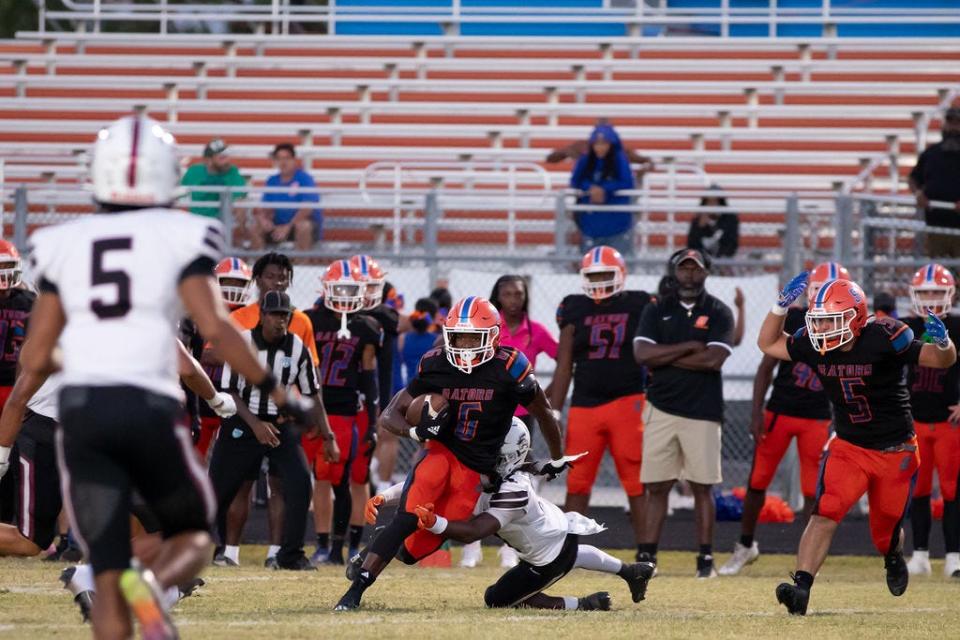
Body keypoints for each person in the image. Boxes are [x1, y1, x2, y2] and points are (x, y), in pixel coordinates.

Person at [23, 114, 314, 639]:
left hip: (84, 413)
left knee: (106, 567)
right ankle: (151, 588)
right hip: (145, 407)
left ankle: (119, 584)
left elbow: (37, 354)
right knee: (196, 536)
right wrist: (278, 392)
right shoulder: (184, 233)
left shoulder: (60, 242)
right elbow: (219, 333)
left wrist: (93, 356)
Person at [334, 296, 566, 611]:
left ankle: (370, 552)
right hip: (441, 452)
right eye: (459, 337)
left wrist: (557, 456)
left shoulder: (510, 366)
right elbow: (390, 414)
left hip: (475, 471)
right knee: (406, 518)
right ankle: (355, 591)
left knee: (412, 552)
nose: (466, 345)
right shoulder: (436, 363)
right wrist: (414, 432)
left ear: (493, 336)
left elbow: (544, 412)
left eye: (474, 337)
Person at [758, 273, 956, 615]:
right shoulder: (815, 345)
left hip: (896, 450)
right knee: (825, 513)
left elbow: (940, 361)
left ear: (857, 317)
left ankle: (893, 557)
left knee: (884, 533)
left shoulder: (884, 336)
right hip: (849, 446)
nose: (824, 329)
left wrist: (944, 343)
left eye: (832, 320)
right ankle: (801, 588)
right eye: (819, 321)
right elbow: (768, 344)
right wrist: (779, 306)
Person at [373, 418, 654, 611]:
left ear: (506, 455)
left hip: (548, 559)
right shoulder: (501, 470)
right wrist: (384, 497)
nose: (478, 454)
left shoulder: (513, 490)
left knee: (496, 599)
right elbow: (425, 485)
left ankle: (582, 604)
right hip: (556, 532)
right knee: (562, 560)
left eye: (488, 450)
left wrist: (436, 523)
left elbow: (475, 531)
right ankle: (632, 571)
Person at [718, 262, 843, 576]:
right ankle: (745, 546)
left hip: (817, 416)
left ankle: (807, 559)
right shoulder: (796, 318)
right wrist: (756, 411)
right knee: (758, 480)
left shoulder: (850, 325)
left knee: (814, 490)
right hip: (781, 410)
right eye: (817, 288)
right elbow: (766, 367)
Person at [210, 291, 336, 572]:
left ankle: (289, 554)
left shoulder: (297, 347)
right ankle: (200, 547)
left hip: (280, 424)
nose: (280, 321)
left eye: (285, 316)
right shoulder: (242, 343)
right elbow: (229, 389)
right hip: (242, 420)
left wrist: (328, 436)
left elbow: (313, 394)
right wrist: (255, 425)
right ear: (262, 316)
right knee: (219, 488)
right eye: (275, 314)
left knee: (301, 483)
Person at [633, 248, 735, 578]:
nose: (689, 274)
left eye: (696, 268)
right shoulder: (656, 308)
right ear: (674, 271)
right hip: (660, 407)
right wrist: (689, 347)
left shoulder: (719, 311)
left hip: (702, 411)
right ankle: (647, 556)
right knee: (656, 486)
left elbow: (713, 360)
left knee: (702, 486)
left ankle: (705, 559)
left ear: (706, 272)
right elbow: (642, 354)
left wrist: (665, 357)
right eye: (683, 268)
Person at [548, 247, 651, 557]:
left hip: (628, 400)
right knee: (577, 481)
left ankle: (647, 550)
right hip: (584, 405)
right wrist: (554, 408)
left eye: (606, 274)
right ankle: (568, 551)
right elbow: (564, 364)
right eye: (594, 276)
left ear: (620, 274)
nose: (600, 281)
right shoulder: (574, 306)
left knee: (635, 480)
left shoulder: (640, 303)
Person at [455, 275, 558, 570]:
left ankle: (510, 547)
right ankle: (471, 546)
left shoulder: (535, 331)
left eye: (519, 294)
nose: (514, 299)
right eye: (508, 294)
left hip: (521, 419)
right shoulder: (487, 328)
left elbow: (561, 356)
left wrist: (545, 400)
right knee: (475, 477)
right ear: (497, 297)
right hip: (485, 413)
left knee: (516, 479)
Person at [304, 260, 382, 566]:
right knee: (320, 476)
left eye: (352, 288)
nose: (346, 294)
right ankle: (323, 543)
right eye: (340, 288)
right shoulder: (310, 319)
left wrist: (373, 419)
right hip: (315, 407)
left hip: (349, 409)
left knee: (349, 477)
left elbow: (368, 373)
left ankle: (350, 543)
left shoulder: (367, 326)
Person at [903, 263, 960, 577]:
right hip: (915, 422)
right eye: (924, 291)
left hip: (949, 422)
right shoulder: (906, 326)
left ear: (949, 293)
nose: (929, 298)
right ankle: (920, 554)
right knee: (920, 490)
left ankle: (954, 556)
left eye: (936, 292)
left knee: (952, 490)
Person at [194, 257, 254, 458]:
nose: (233, 288)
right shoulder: (198, 313)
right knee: (195, 456)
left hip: (236, 398)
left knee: (237, 462)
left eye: (239, 283)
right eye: (228, 282)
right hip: (203, 394)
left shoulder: (251, 316)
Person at [0, 240, 33, 526]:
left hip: (17, 387)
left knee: (14, 455)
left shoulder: (29, 301)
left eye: (6, 266)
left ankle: (12, 519)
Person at [569, 124, 637, 256]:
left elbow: (627, 182)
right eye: (597, 144)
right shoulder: (586, 159)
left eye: (604, 143)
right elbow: (575, 181)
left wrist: (605, 189)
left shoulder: (619, 159)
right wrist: (590, 188)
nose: (600, 148)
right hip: (590, 224)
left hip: (617, 224)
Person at [251, 143, 321, 251]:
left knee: (304, 226)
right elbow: (266, 208)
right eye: (279, 159)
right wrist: (264, 220)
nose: (283, 162)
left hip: (296, 225)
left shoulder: (305, 179)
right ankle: (260, 264)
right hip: (277, 226)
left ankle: (302, 265)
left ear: (294, 160)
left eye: (287, 158)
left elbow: (307, 209)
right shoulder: (272, 181)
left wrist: (287, 227)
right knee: (255, 227)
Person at [547, 118, 654, 186]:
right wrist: (564, 153)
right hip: (589, 191)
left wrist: (640, 175)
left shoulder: (620, 151)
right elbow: (550, 159)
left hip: (613, 192)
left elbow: (647, 162)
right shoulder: (581, 147)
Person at [180, 138, 247, 219]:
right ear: (208, 160)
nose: (227, 160)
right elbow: (179, 194)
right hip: (196, 222)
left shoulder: (232, 171)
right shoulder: (194, 171)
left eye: (227, 155)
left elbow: (239, 198)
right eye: (222, 157)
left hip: (222, 223)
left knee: (241, 206)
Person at [686, 186, 740, 260]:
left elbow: (732, 244)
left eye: (715, 201)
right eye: (709, 202)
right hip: (702, 261)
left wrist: (717, 224)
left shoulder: (730, 220)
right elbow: (691, 246)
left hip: (724, 260)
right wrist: (699, 227)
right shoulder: (697, 221)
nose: (712, 205)